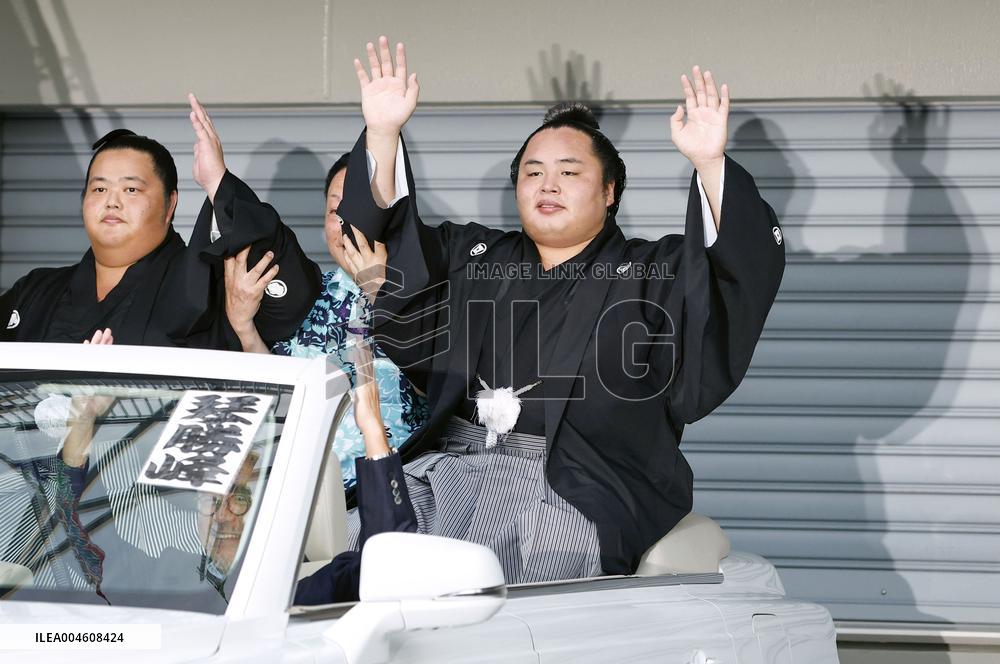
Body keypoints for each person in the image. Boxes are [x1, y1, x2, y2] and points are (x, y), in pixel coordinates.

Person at [335, 38, 785, 581]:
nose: (548, 184)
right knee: (360, 554)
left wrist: (711, 164)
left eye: (569, 172)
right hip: (452, 472)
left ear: (610, 190)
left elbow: (743, 267)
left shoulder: (652, 271)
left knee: (510, 583)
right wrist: (383, 132)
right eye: (532, 172)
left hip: (575, 487)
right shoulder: (473, 255)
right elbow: (376, 234)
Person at [0, 94, 320, 349]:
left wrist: (217, 183)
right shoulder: (36, 290)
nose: (112, 200)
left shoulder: (207, 284)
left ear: (170, 205)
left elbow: (289, 303)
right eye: (99, 188)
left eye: (131, 188)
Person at [223, 153, 428, 488]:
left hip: (394, 492)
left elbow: (440, 390)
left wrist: (380, 292)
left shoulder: (429, 292)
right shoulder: (309, 294)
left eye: (362, 211)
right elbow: (276, 402)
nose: (347, 224)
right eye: (336, 211)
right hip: (299, 494)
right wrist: (243, 325)